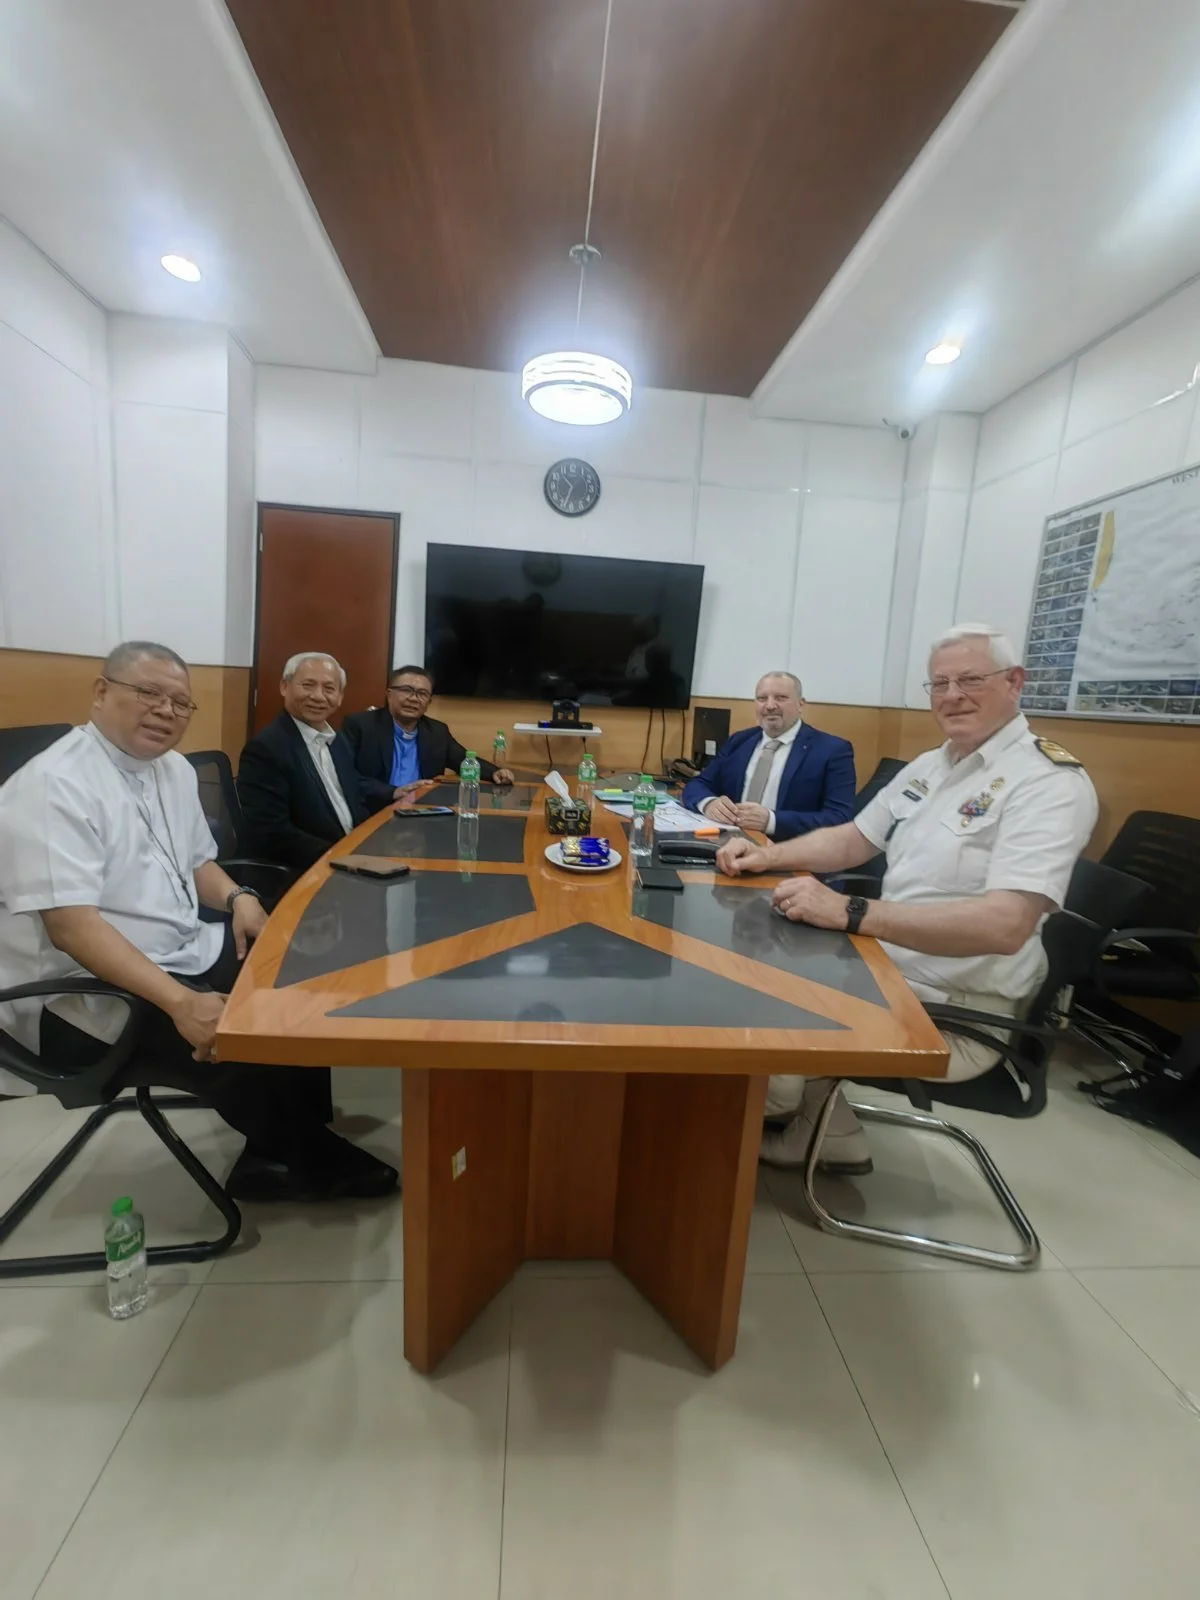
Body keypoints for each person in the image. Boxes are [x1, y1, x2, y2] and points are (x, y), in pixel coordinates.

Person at [0, 641, 397, 1202]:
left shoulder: (172, 771)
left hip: (182, 946)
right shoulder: (52, 785)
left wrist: (239, 898)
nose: (165, 710)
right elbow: (71, 928)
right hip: (85, 995)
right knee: (245, 1027)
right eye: (149, 693)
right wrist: (182, 1002)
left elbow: (198, 863)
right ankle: (303, 1155)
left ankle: (280, 1144)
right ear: (101, 691)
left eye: (180, 703)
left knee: (305, 977)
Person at [716, 625, 1099, 1174]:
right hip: (887, 969)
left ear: (1015, 683)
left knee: (754, 1012)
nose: (952, 695)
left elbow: (1006, 926)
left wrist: (849, 911)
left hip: (953, 1012)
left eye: (970, 680)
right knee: (747, 964)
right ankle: (820, 1127)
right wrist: (765, 857)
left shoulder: (1048, 783)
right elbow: (854, 839)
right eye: (939, 683)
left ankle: (764, 1104)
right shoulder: (934, 764)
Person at [237, 651, 375, 871]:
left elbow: (355, 799)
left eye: (329, 689)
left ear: (339, 697)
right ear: (285, 687)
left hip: (348, 858)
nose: (318, 696)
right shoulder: (267, 749)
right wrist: (339, 854)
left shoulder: (336, 742)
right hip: (305, 870)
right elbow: (271, 832)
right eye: (308, 685)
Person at [682, 671, 855, 840]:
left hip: (790, 853)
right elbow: (699, 783)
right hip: (729, 843)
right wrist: (709, 803)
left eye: (781, 698)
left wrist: (772, 821)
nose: (770, 706)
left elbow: (839, 818)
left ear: (800, 704)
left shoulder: (832, 750)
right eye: (762, 698)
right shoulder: (740, 741)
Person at [343, 664, 515, 808]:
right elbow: (345, 776)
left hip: (423, 809)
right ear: (389, 694)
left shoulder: (436, 731)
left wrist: (495, 772)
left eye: (422, 694)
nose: (414, 699)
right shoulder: (361, 726)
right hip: (375, 809)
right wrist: (394, 792)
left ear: (428, 702)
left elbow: (463, 759)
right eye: (406, 690)